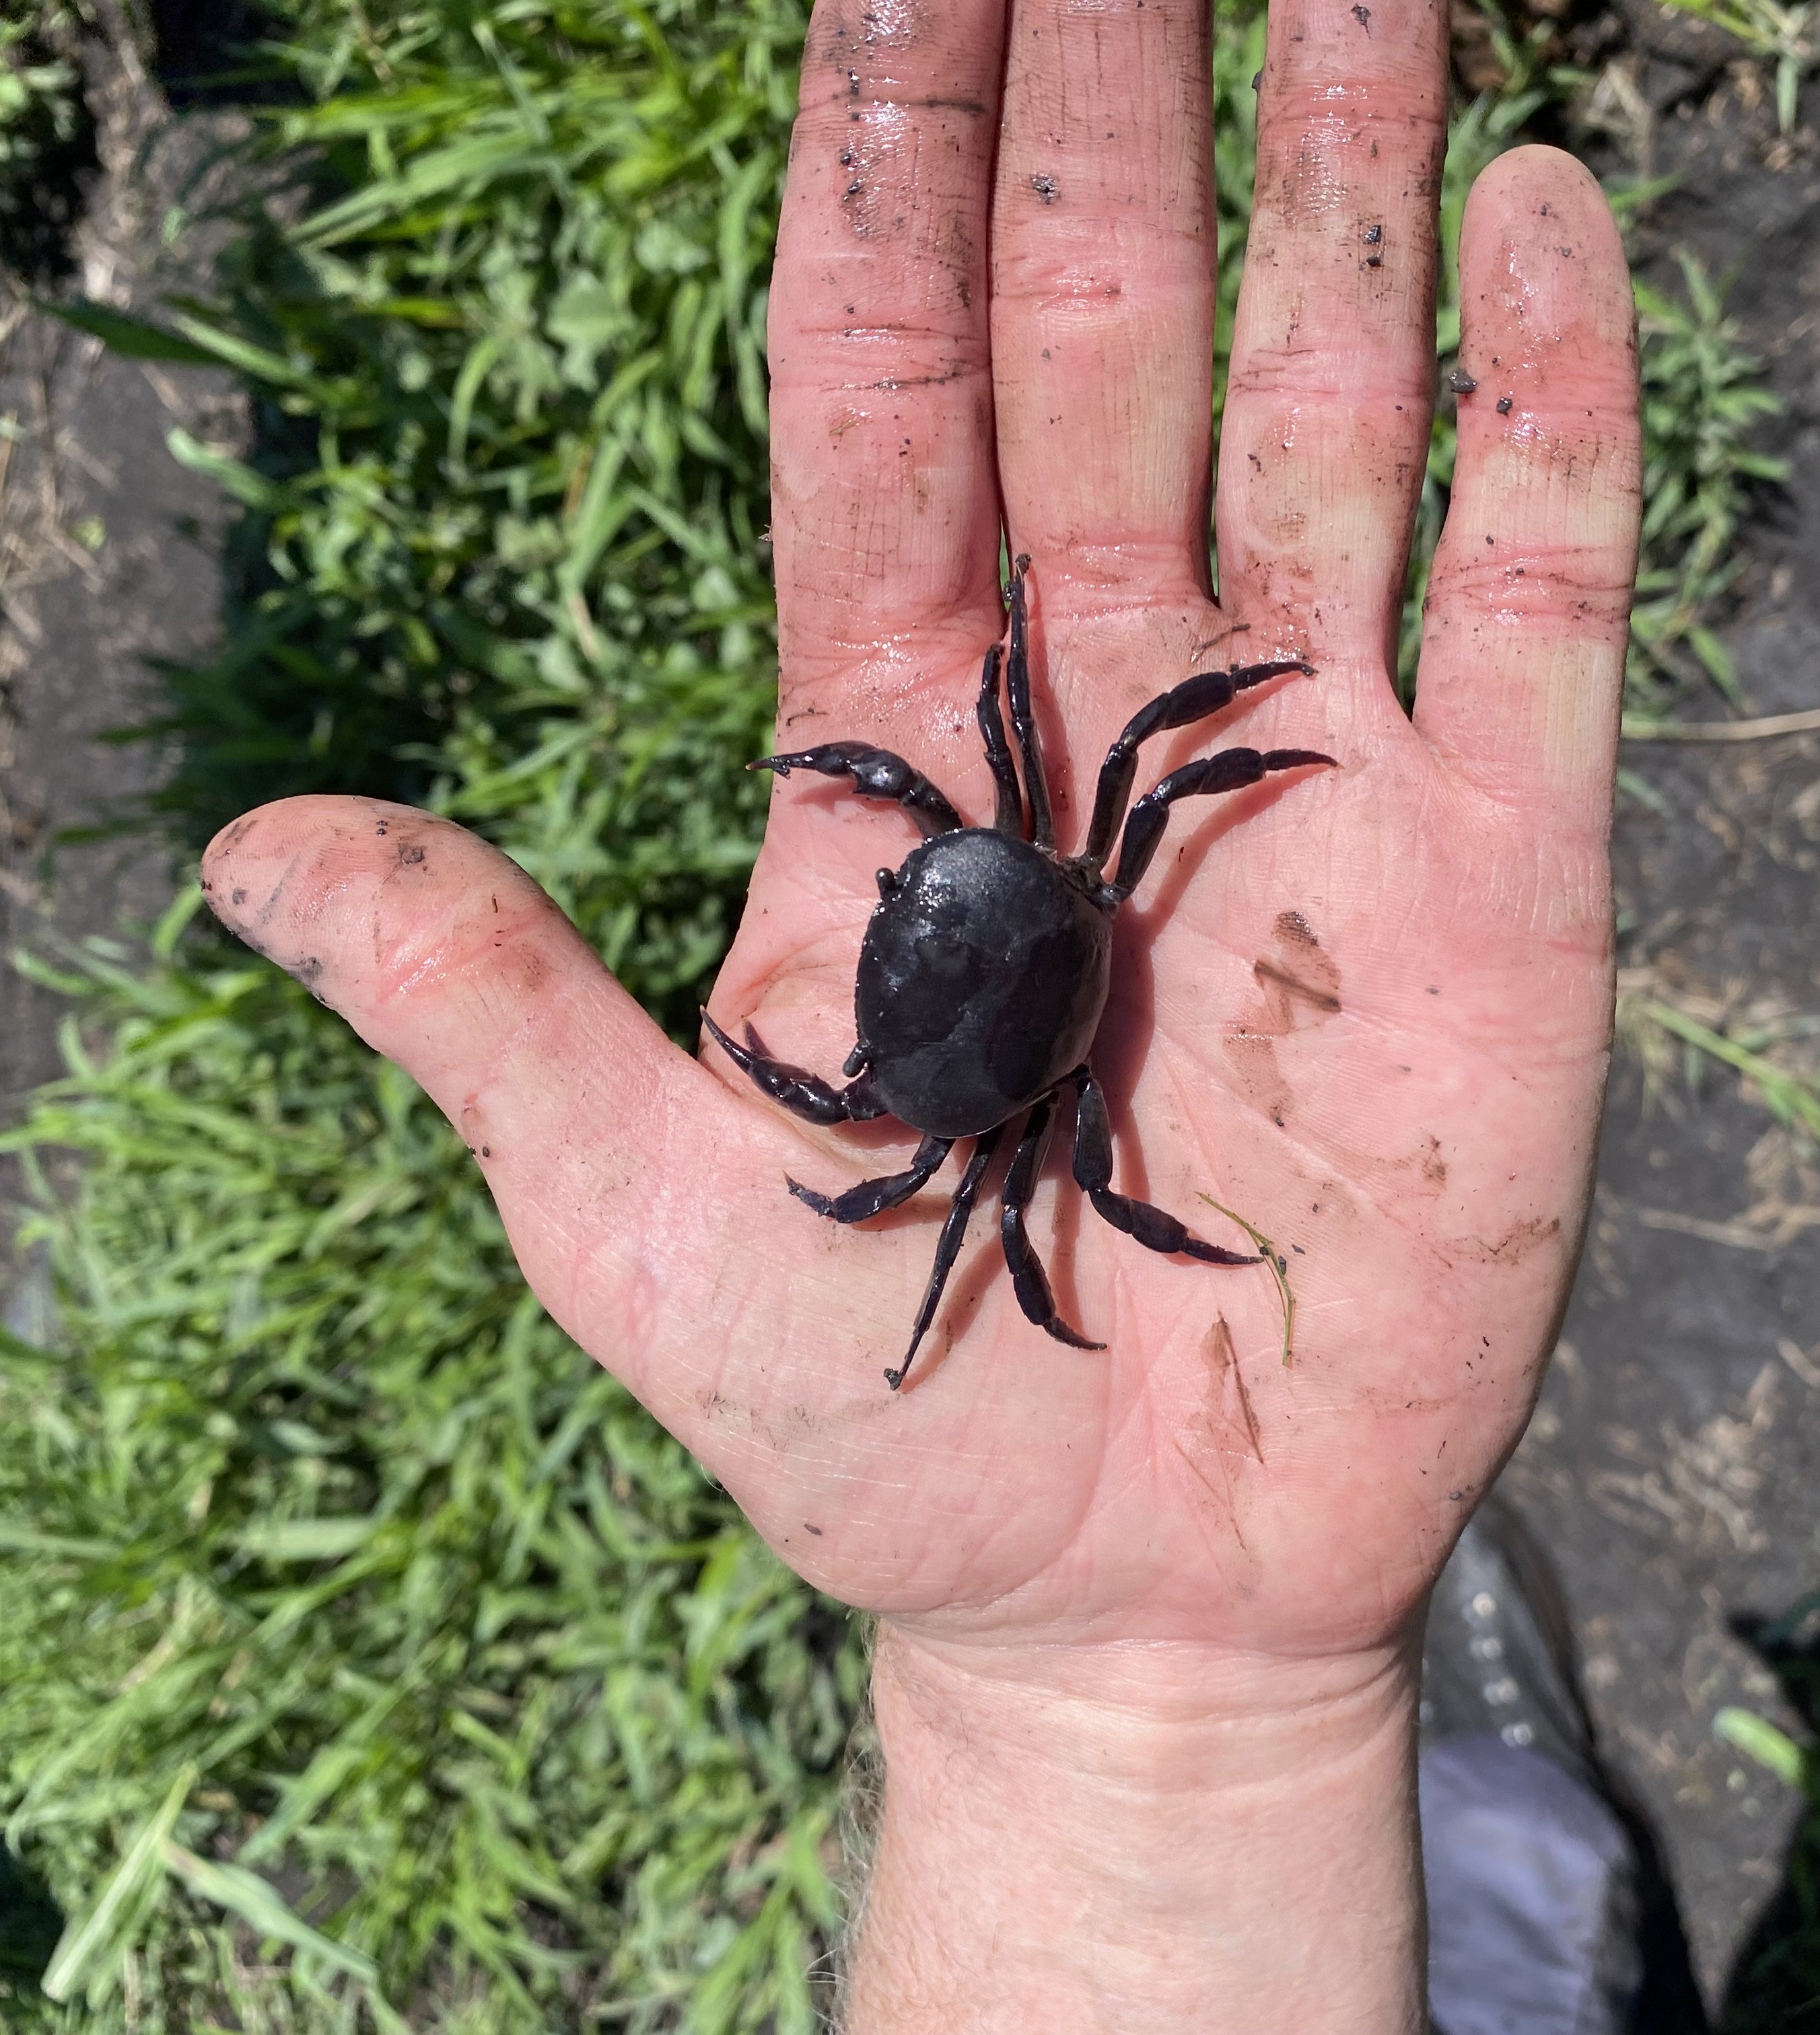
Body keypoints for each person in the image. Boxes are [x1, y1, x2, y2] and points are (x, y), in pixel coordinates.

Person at [198, 0, 1646, 2024]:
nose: (885, 899)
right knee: (1525, 1924)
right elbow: (1029, 1104)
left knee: (1119, 758)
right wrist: (1134, 1702)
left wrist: (1142, 1724)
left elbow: (1075, 865)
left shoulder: (1000, 1026)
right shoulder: (1027, 969)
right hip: (1036, 940)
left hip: (1038, 942)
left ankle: (1514, 1868)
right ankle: (1526, 1869)